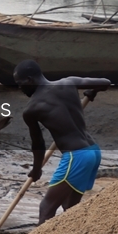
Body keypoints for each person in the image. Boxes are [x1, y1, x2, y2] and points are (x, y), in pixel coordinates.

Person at [13, 60, 110, 224]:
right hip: (93, 151)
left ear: (29, 80)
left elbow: (38, 145)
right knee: (70, 208)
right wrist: (93, 91)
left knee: (46, 209)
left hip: (76, 157)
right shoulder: (68, 82)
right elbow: (105, 83)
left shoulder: (32, 108)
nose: (19, 88)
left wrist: (36, 170)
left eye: (20, 84)